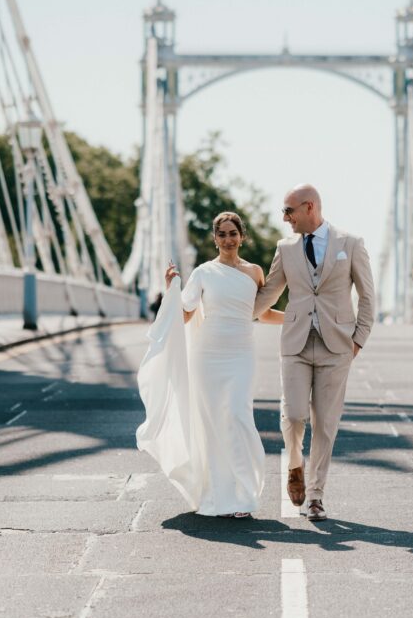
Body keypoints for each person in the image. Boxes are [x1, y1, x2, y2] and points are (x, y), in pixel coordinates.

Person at [136, 212, 284, 518]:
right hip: (208, 356)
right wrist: (171, 290)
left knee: (238, 417)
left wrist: (297, 320)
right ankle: (221, 496)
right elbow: (186, 315)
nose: (228, 239)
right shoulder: (203, 273)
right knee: (213, 424)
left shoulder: (255, 272)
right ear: (214, 238)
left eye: (233, 233)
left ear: (243, 236)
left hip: (241, 354)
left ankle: (243, 492)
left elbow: (261, 313)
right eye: (222, 234)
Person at [252, 184, 375, 522]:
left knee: (325, 424)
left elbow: (367, 296)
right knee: (293, 415)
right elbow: (270, 293)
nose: (284, 218)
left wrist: (357, 342)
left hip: (338, 347)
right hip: (295, 343)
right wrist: (229, 312)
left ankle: (316, 496)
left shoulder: (351, 244)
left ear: (309, 207)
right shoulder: (285, 248)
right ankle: (295, 464)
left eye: (289, 211)